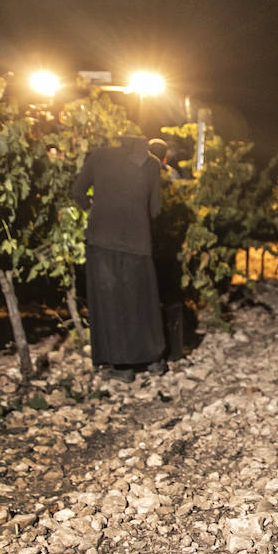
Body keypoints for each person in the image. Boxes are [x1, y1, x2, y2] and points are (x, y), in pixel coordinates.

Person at [72, 134, 167, 381]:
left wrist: (95, 211)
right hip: (138, 241)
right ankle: (154, 360)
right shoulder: (152, 163)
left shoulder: (99, 156)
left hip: (101, 239)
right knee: (141, 300)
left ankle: (121, 367)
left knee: (110, 302)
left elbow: (77, 192)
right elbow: (156, 208)